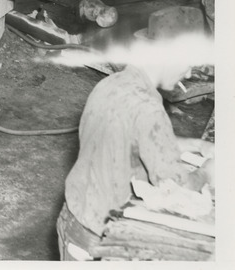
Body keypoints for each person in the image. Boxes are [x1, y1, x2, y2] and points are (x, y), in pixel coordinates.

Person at [56, 27, 215, 261]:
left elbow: (136, 137)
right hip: (101, 237)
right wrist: (207, 173)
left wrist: (196, 145)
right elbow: (178, 186)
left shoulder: (115, 83)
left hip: (72, 216)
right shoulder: (149, 107)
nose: (189, 73)